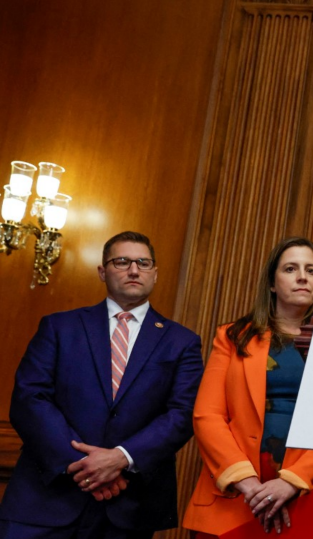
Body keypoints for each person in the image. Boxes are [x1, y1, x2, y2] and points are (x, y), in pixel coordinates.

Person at [0, 231, 203, 539]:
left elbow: (183, 413)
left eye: (143, 263)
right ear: (102, 271)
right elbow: (30, 398)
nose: (133, 270)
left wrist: (121, 457)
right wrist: (85, 465)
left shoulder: (182, 342)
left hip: (127, 507)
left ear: (155, 273)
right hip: (45, 500)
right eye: (121, 261)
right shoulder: (59, 326)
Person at [183, 237, 313, 537]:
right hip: (236, 498)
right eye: (291, 268)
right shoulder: (232, 336)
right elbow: (207, 416)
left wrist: (293, 481)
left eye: (311, 270)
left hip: (306, 496)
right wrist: (248, 483)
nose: (303, 276)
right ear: (272, 284)